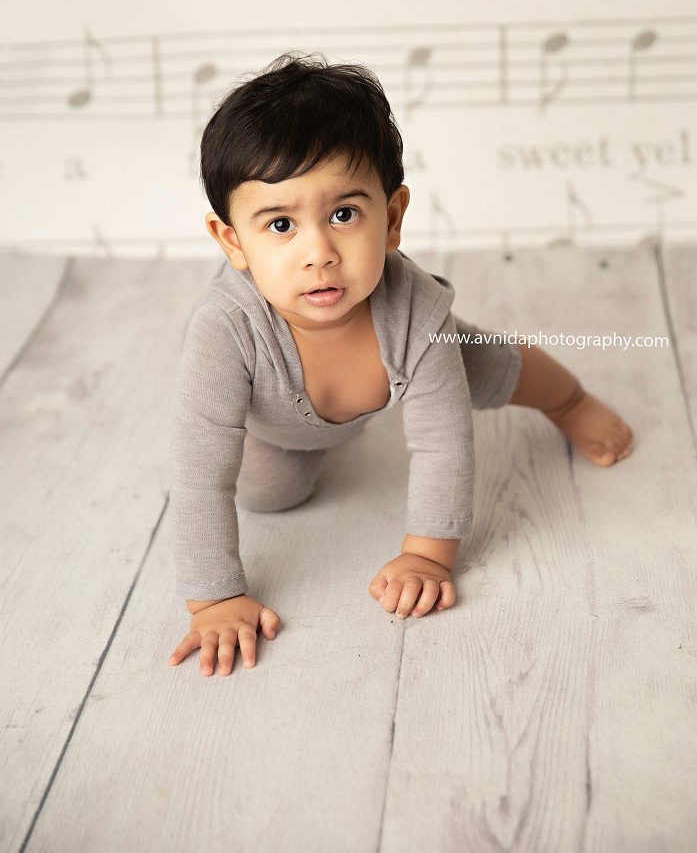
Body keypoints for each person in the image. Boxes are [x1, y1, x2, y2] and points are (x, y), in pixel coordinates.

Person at [168, 53, 633, 678]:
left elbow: (445, 442)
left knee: (491, 365)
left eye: (343, 215)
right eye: (280, 224)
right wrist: (215, 598)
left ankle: (570, 400)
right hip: (280, 426)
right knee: (270, 495)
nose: (320, 254)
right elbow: (201, 472)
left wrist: (429, 557)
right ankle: (314, 449)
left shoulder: (414, 309)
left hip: (416, 362)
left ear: (391, 218)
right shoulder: (224, 331)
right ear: (233, 243)